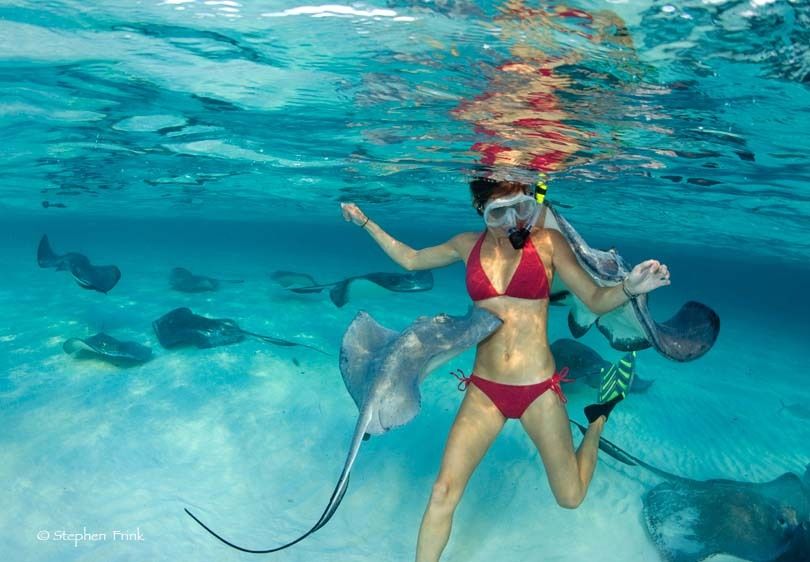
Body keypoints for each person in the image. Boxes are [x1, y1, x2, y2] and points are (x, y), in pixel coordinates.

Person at [340, 177, 670, 562]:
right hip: (485, 391)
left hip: (539, 391)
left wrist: (629, 288)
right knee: (442, 492)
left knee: (571, 497)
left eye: (521, 208)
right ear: (481, 210)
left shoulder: (548, 243)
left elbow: (596, 300)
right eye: (499, 212)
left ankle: (596, 421)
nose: (512, 220)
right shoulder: (466, 245)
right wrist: (366, 222)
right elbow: (412, 259)